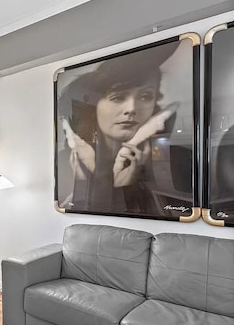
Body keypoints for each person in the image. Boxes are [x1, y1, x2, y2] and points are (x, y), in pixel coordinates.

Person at [57, 42, 181, 215]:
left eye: (145, 96)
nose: (131, 108)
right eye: (118, 97)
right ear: (95, 106)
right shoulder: (65, 163)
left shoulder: (161, 159)